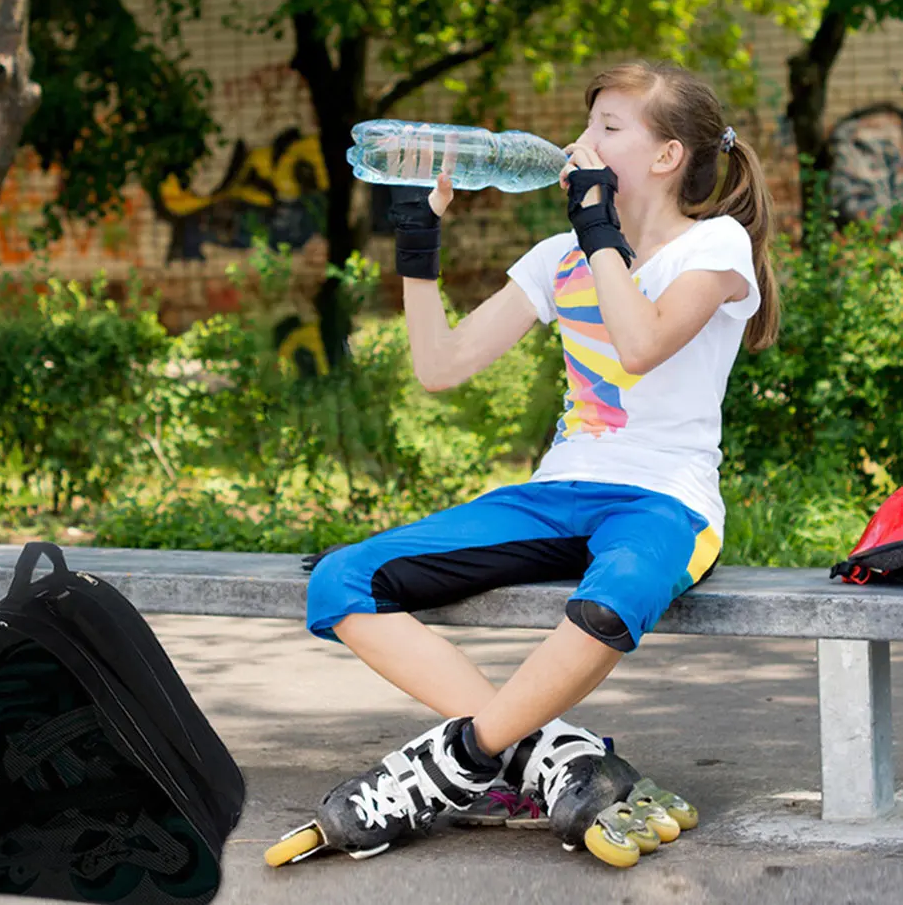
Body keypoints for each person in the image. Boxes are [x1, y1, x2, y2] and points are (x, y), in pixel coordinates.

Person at [302, 60, 780, 858]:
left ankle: (458, 759)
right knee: (339, 580)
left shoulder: (715, 247)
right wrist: (419, 236)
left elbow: (641, 344)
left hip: (664, 499)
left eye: (608, 130)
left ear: (665, 157)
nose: (580, 143)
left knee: (617, 591)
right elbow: (441, 366)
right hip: (556, 491)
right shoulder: (560, 254)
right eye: (586, 125)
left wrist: (598, 228)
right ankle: (546, 757)